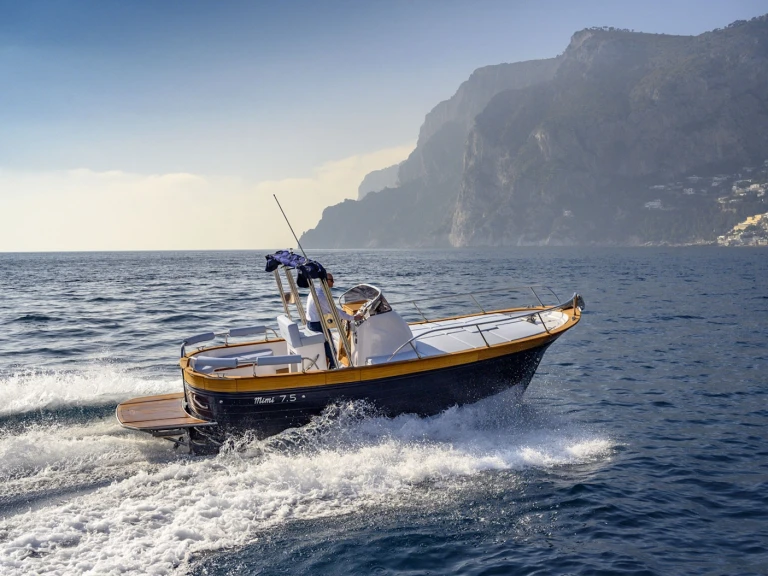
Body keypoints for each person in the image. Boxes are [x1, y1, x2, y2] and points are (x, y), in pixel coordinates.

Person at [305, 273, 362, 368]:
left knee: (329, 342)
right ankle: (333, 367)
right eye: (331, 280)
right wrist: (353, 317)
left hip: (312, 322)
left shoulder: (316, 291)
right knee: (330, 346)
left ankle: (330, 363)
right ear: (325, 281)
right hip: (317, 325)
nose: (333, 282)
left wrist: (343, 314)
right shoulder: (321, 296)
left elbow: (328, 309)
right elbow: (335, 311)